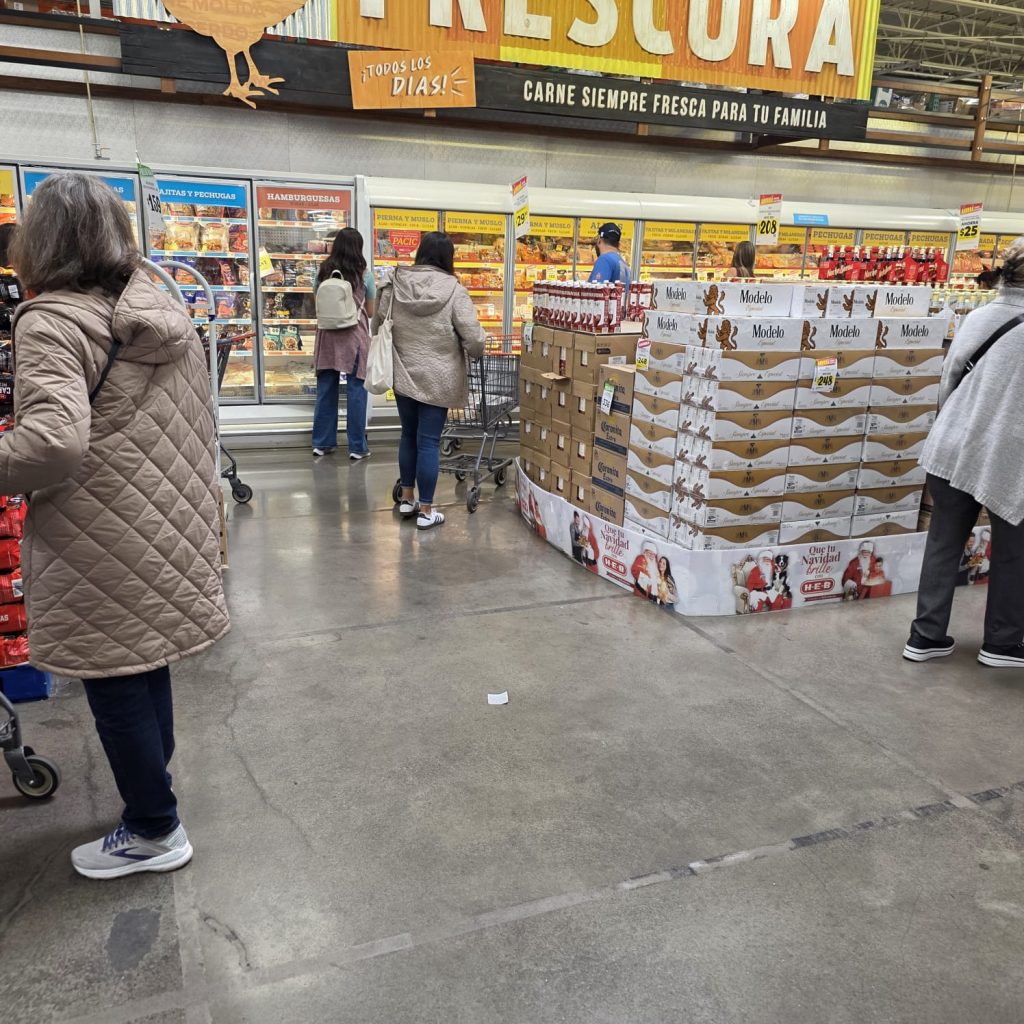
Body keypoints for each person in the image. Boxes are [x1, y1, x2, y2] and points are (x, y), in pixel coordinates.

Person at [6, 172, 229, 879]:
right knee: (144, 660)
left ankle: (154, 828)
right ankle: (153, 793)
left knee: (113, 677)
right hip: (167, 524)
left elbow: (53, 444)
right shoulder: (157, 309)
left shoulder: (52, 321)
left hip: (98, 533)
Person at [904, 237, 1024, 668]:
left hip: (953, 443)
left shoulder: (978, 317)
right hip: (1009, 455)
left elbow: (948, 384)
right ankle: (1002, 644)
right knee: (1014, 548)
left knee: (943, 541)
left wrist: (956, 427)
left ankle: (925, 636)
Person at [373, 231, 486, 530]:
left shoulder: (395, 282)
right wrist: (476, 350)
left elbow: (378, 323)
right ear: (448, 258)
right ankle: (426, 511)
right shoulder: (454, 290)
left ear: (420, 253)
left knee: (408, 435)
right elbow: (474, 338)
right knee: (428, 442)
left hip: (403, 373)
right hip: (439, 377)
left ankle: (407, 498)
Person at [311, 227, 376, 460]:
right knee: (356, 390)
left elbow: (317, 303)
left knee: (326, 389)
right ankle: (357, 447)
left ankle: (322, 443)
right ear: (358, 248)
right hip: (354, 337)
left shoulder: (323, 272)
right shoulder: (365, 274)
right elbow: (369, 311)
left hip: (327, 335)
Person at [588, 223, 631, 294]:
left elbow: (596, 294)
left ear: (599, 240)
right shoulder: (622, 262)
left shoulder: (604, 260)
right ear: (618, 244)